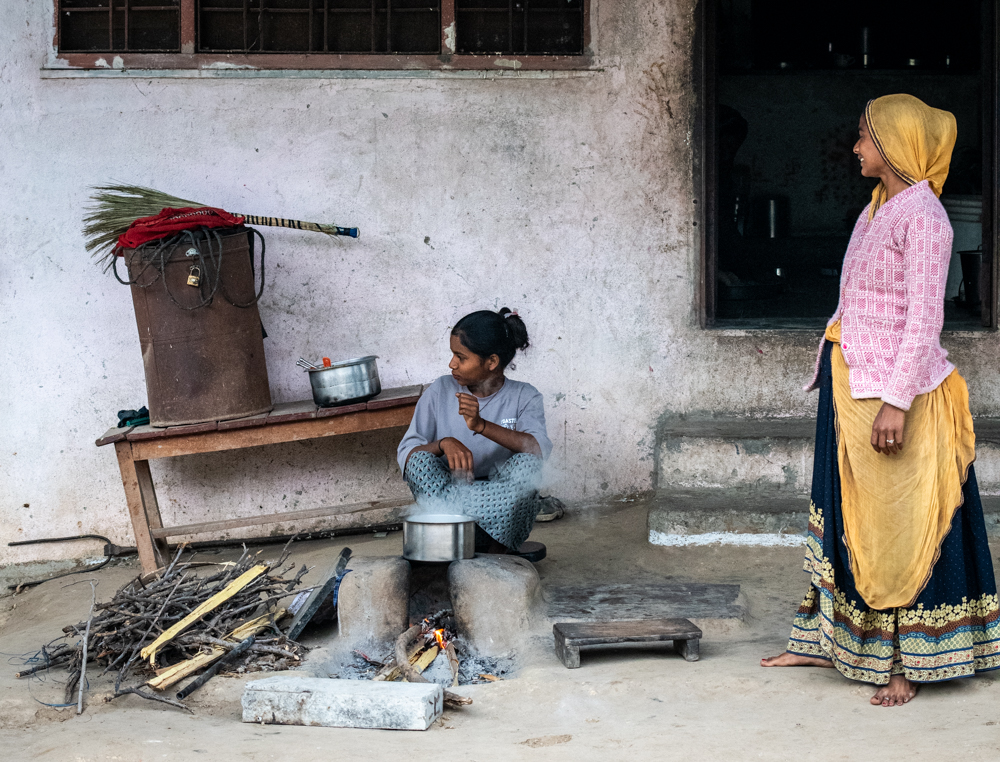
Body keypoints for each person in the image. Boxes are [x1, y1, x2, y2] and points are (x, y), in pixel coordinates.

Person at [761, 94, 1000, 706]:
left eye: (865, 137)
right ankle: (821, 640)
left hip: (892, 396)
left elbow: (924, 320)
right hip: (851, 390)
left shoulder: (925, 218)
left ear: (894, 146)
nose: (856, 148)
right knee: (846, 519)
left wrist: (897, 402)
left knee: (899, 529)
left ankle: (906, 662)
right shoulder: (877, 208)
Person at [397, 308, 554, 553]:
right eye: (452, 355)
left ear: (491, 362)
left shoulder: (525, 396)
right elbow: (407, 454)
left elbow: (539, 449)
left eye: (461, 357)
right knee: (419, 462)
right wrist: (443, 444)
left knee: (529, 464)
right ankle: (450, 543)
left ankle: (496, 555)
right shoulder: (440, 390)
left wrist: (481, 425)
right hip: (451, 505)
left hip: (503, 514)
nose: (452, 364)